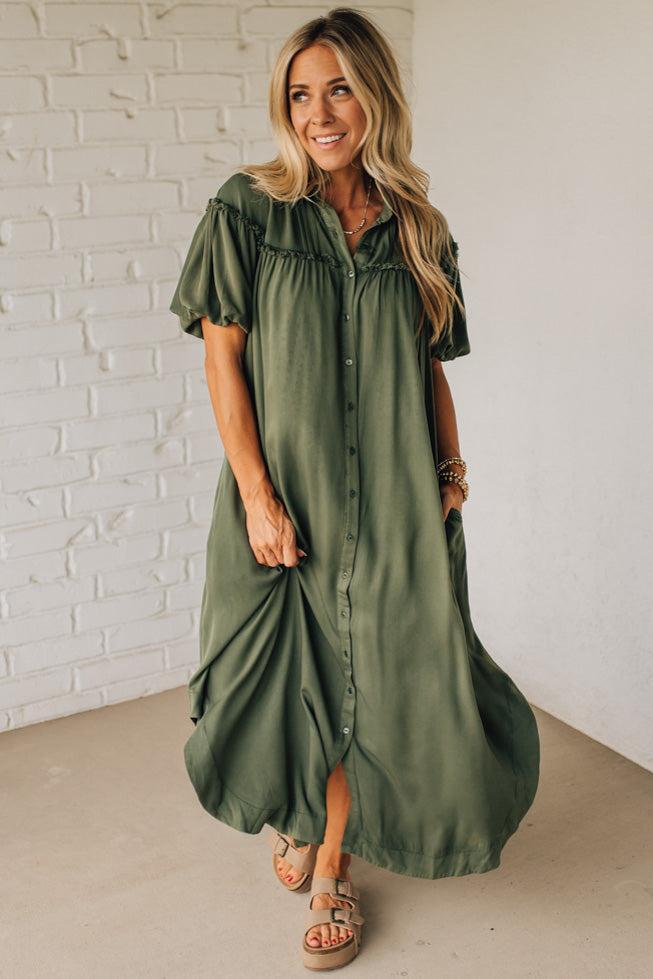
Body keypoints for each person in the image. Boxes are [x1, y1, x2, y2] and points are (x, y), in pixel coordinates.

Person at [169, 6, 540, 971]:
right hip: (283, 501)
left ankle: (329, 867)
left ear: (374, 94)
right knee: (273, 680)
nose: (318, 111)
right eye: (300, 92)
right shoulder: (247, 210)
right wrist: (254, 493)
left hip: (395, 507)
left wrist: (451, 473)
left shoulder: (418, 227)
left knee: (378, 685)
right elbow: (223, 358)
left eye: (338, 88)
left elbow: (427, 369)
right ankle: (294, 814)